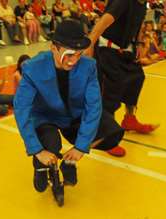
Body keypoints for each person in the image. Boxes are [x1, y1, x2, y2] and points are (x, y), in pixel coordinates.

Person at [14, 19, 125, 193]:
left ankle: (69, 162)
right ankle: (40, 167)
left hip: (73, 115)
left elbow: (94, 106)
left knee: (112, 132)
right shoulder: (32, 68)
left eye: (79, 54)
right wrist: (37, 150)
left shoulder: (89, 66)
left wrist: (81, 147)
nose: (74, 61)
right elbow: (22, 110)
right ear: (53, 48)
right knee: (51, 144)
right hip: (46, 117)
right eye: (70, 54)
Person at [85, 0, 159, 156]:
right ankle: (107, 136)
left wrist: (138, 43)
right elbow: (103, 21)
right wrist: (89, 44)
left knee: (136, 77)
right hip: (107, 50)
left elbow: (137, 26)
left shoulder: (141, 4)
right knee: (111, 92)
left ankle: (129, 119)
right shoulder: (123, 1)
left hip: (125, 50)